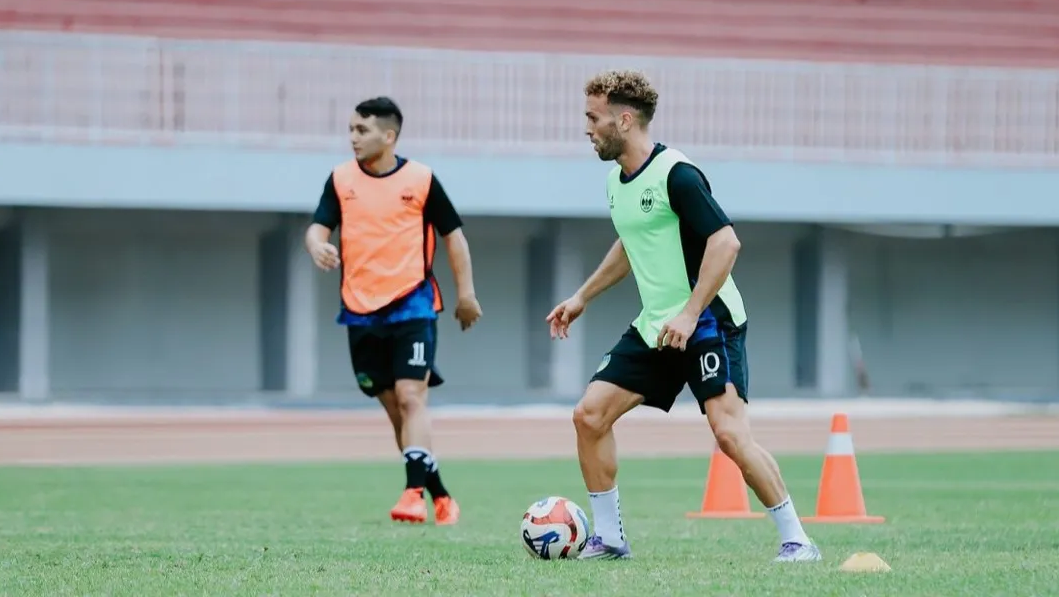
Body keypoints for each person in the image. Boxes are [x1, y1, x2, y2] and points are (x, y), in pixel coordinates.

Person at [546, 70, 822, 563]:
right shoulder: (616, 181)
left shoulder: (678, 174)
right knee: (589, 415)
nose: (586, 128)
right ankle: (609, 539)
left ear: (624, 119)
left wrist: (692, 314)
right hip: (657, 325)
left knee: (730, 435)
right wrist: (582, 296)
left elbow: (726, 242)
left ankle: (797, 540)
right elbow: (633, 243)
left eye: (593, 118)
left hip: (709, 320)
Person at [305, 96, 483, 526]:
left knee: (410, 397)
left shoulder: (420, 180)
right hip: (360, 311)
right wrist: (316, 245)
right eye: (350, 129)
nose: (353, 138)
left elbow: (453, 236)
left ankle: (411, 493)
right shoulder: (340, 179)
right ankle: (440, 495)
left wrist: (466, 295)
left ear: (389, 136)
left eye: (361, 130)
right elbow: (317, 227)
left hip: (413, 304)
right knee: (393, 408)